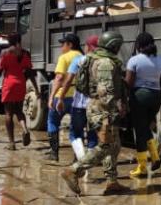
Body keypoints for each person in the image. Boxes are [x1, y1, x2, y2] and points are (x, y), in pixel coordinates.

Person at [61, 31, 128, 196]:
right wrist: (113, 111)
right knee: (106, 146)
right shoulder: (106, 62)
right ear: (113, 45)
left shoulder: (97, 58)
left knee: (115, 145)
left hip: (99, 107)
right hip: (103, 108)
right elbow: (106, 91)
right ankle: (74, 170)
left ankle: (112, 182)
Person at [53, 35, 99, 163]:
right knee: (93, 135)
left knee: (75, 134)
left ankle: (81, 159)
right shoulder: (102, 61)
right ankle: (90, 162)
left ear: (88, 47)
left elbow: (67, 81)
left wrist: (61, 98)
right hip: (95, 105)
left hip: (79, 104)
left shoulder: (79, 60)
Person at [125, 32, 161, 179]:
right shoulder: (160, 60)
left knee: (140, 132)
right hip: (156, 98)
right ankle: (155, 158)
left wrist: (123, 99)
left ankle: (142, 167)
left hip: (140, 97)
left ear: (138, 45)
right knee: (146, 127)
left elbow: (128, 83)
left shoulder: (134, 60)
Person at [0, 33, 33, 151]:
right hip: (21, 83)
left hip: (9, 84)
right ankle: (25, 129)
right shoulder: (26, 53)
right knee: (19, 111)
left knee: (8, 113)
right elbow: (29, 72)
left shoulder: (5, 53)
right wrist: (36, 88)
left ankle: (12, 143)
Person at [45, 34, 82, 161]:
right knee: (76, 127)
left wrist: (51, 97)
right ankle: (78, 157)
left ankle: (54, 153)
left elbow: (59, 78)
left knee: (52, 122)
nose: (61, 47)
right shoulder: (84, 57)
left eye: (63, 44)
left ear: (70, 45)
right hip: (78, 98)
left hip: (62, 96)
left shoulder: (64, 58)